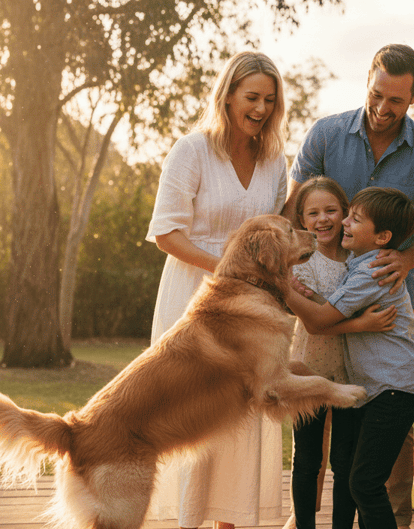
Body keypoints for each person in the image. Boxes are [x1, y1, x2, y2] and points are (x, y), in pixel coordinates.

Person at [284, 43, 414, 528]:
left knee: (378, 445)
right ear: (369, 79)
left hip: (387, 303)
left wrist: (402, 259)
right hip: (326, 295)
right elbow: (293, 209)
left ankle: (390, 518)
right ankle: (304, 520)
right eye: (377, 94)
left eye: (395, 101)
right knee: (314, 427)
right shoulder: (327, 134)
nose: (382, 108)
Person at [145, 50, 288, 529]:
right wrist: (227, 269)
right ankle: (188, 522)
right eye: (252, 97)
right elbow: (167, 233)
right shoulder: (192, 150)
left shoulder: (274, 160)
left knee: (243, 416)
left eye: (270, 99)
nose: (262, 108)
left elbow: (278, 234)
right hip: (191, 304)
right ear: (226, 97)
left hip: (251, 312)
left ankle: (234, 521)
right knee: (194, 417)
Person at [285, 187, 414, 529]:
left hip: (393, 391)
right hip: (385, 390)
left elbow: (319, 320)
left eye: (354, 218)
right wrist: (311, 294)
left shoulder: (371, 272)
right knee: (362, 482)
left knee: (364, 483)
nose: (345, 221)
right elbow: (330, 307)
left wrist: (281, 286)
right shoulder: (361, 265)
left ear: (382, 237)